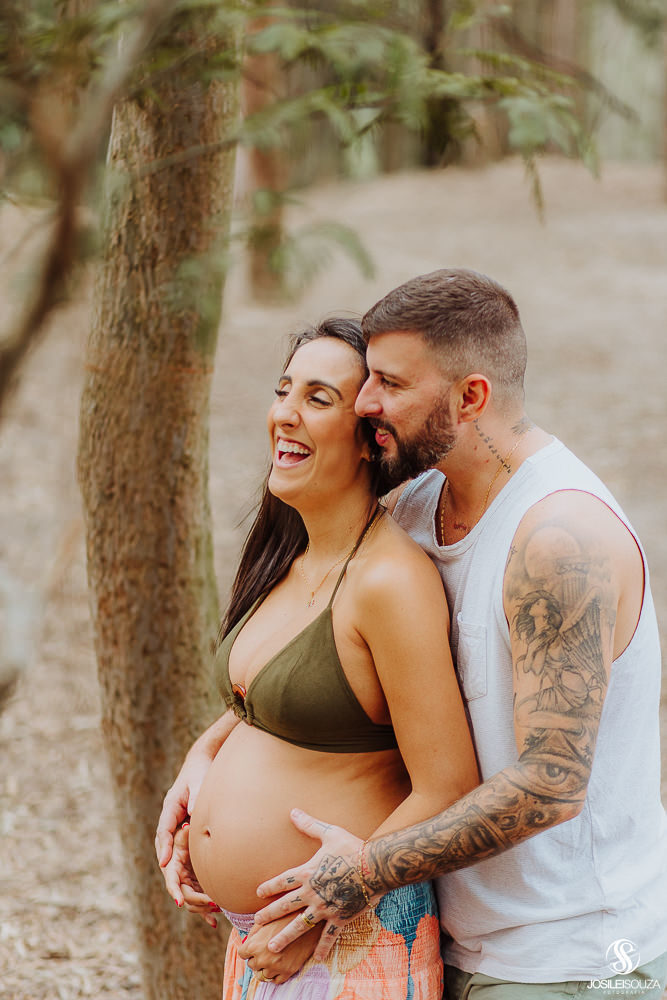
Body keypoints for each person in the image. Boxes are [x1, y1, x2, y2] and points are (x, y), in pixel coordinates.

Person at [250, 270, 667, 999]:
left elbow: (550, 784)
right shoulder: (417, 502)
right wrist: (209, 755)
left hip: (570, 960)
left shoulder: (558, 539)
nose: (365, 403)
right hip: (452, 938)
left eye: (390, 384)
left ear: (471, 397)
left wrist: (363, 872)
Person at [155, 317, 479, 998]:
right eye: (283, 390)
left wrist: (324, 907)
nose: (285, 414)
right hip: (268, 937)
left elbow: (446, 782)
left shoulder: (387, 582)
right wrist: (202, 758)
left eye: (318, 398)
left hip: (343, 937)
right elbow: (270, 698)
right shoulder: (290, 553)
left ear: (370, 439)